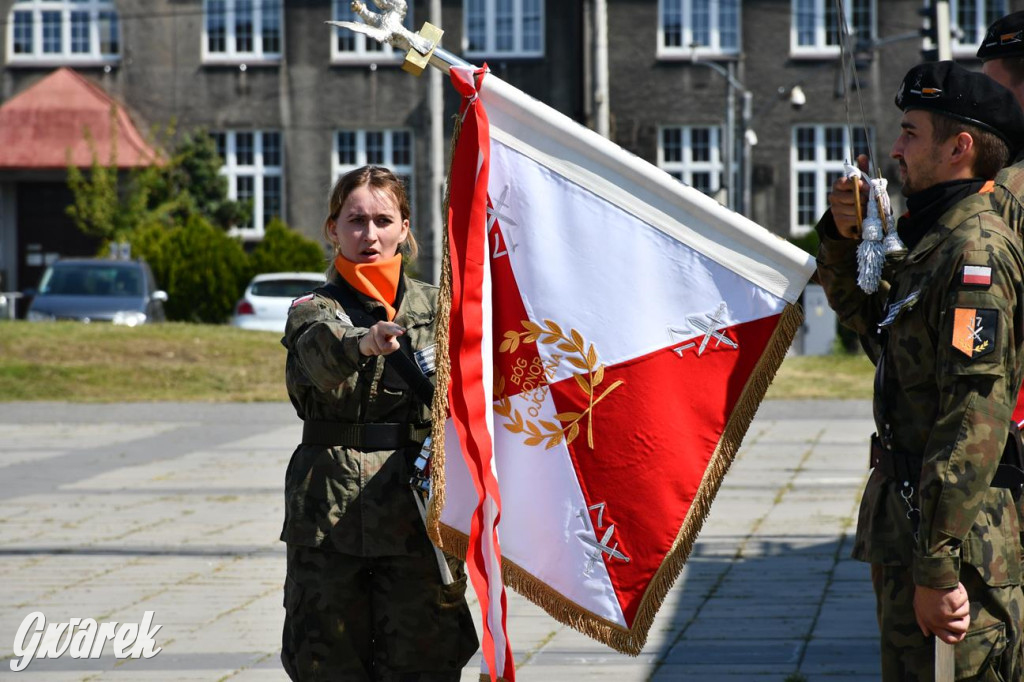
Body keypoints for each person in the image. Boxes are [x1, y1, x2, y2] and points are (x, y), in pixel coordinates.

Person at [816, 62, 1024, 680]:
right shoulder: (937, 240)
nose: (894, 149)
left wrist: (938, 565)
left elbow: (973, 418)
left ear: (959, 147)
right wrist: (843, 235)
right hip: (918, 525)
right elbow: (875, 328)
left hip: (962, 543)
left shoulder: (974, 252)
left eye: (910, 133)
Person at [279, 165, 478, 681]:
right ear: (333, 229)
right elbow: (315, 357)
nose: (370, 235)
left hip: (419, 509)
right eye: (356, 220)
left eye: (383, 220)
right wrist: (361, 344)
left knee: (425, 657)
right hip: (328, 513)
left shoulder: (442, 307)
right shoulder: (314, 308)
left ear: (405, 228)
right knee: (324, 658)